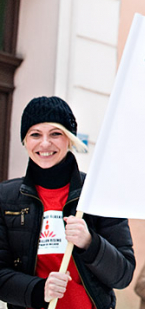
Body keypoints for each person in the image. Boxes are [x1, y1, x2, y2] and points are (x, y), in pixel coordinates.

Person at [0, 96, 135, 309]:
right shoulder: (5, 197)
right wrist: (37, 290)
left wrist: (91, 244)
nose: (45, 143)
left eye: (56, 134)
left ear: (70, 139)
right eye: (35, 134)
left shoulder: (97, 193)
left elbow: (123, 275)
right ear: (25, 141)